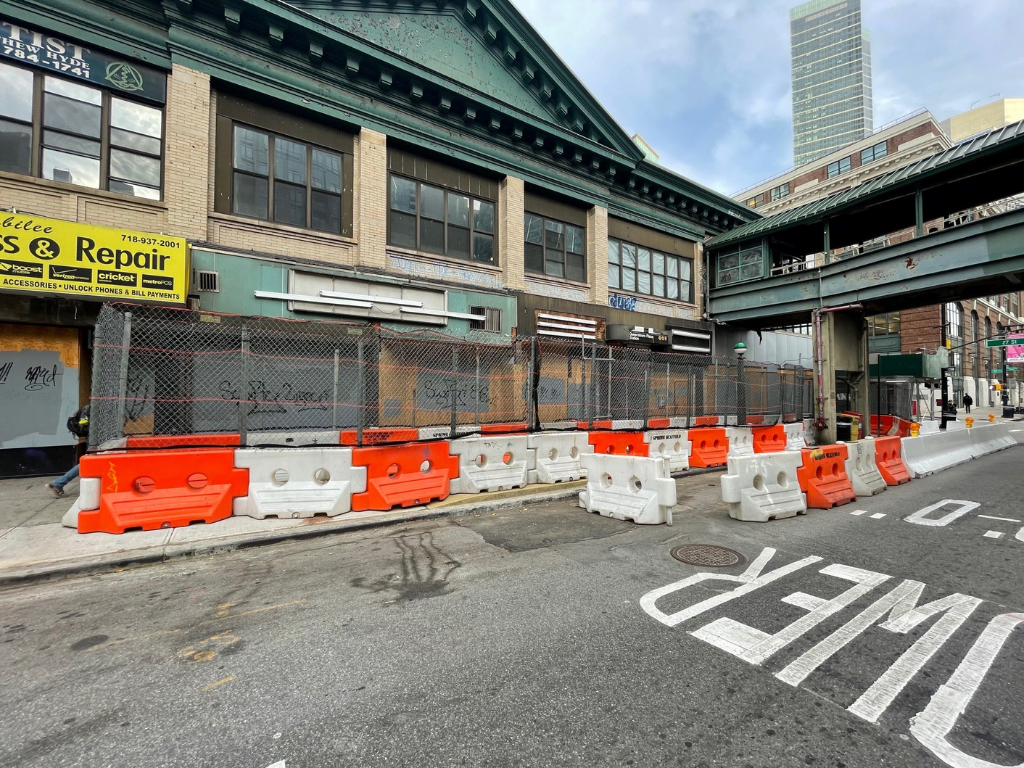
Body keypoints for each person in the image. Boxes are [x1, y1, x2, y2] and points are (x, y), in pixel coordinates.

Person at [46, 403, 89, 498]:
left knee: (90, 462)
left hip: (92, 437)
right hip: (98, 439)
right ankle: (58, 483)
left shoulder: (91, 407)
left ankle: (58, 483)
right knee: (89, 462)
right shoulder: (104, 408)